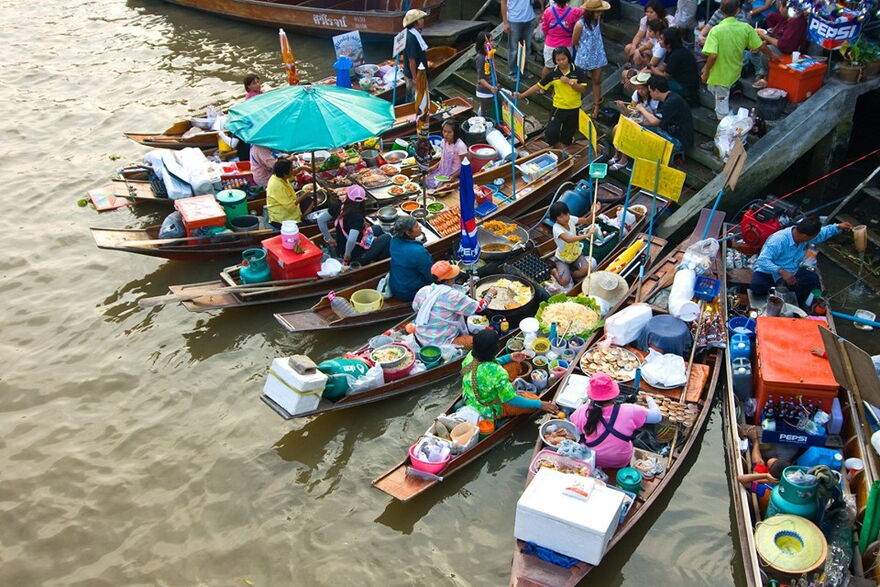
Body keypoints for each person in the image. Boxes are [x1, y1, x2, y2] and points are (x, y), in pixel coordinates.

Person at [461, 329, 559, 421]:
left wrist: (509, 357)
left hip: (471, 396)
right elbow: (511, 399)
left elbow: (485, 366)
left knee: (514, 364)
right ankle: (506, 395)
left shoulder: (470, 356)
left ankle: (506, 388)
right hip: (488, 408)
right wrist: (540, 404)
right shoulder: (497, 373)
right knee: (534, 401)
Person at [751, 216, 852, 306]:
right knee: (757, 286)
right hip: (770, 272)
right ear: (805, 236)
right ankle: (772, 298)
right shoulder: (778, 240)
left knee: (812, 279)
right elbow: (762, 261)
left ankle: (796, 304)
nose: (814, 239)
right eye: (813, 237)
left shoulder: (804, 237)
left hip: (792, 271)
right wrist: (781, 271)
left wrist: (838, 226)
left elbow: (822, 233)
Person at [570, 373, 661, 470]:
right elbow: (657, 416)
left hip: (592, 458)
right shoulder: (631, 411)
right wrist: (649, 398)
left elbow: (576, 433)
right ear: (615, 394)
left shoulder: (582, 411)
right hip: (620, 460)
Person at [702, 0, 774, 121]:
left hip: (719, 76)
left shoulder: (715, 31)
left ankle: (724, 128)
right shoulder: (745, 27)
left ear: (721, 11)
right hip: (734, 71)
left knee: (722, 109)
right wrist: (772, 55)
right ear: (737, 11)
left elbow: (713, 56)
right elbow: (760, 46)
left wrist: (706, 71)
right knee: (716, 93)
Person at [412, 261, 495, 347]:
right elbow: (480, 307)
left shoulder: (424, 290)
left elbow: (415, 308)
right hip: (438, 342)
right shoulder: (452, 295)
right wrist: (490, 293)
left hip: (421, 335)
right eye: (452, 277)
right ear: (448, 280)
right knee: (474, 343)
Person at [516, 47, 588, 147]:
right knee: (551, 132)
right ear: (555, 61)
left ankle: (565, 150)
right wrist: (522, 95)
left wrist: (569, 82)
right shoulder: (553, 74)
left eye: (564, 59)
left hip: (574, 108)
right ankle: (557, 147)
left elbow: (583, 89)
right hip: (559, 107)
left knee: (568, 133)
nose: (561, 62)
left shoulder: (578, 71)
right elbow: (538, 86)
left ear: (568, 58)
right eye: (558, 60)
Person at [750, 0, 808, 89]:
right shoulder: (786, 18)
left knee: (767, 50)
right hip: (779, 46)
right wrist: (762, 43)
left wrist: (764, 37)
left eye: (781, 6)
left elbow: (784, 45)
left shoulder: (796, 22)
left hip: (791, 53)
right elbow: (776, 35)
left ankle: (766, 77)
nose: (779, 9)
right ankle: (760, 74)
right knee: (755, 49)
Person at [633, 75, 694, 157]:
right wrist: (640, 122)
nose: (650, 94)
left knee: (643, 135)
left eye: (651, 91)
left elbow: (654, 121)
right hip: (669, 132)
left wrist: (641, 109)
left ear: (657, 91)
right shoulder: (664, 100)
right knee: (637, 128)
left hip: (679, 141)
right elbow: (656, 122)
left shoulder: (672, 101)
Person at [608, 71, 658, 169]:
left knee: (627, 132)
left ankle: (624, 159)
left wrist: (642, 110)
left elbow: (655, 119)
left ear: (648, 88)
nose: (640, 91)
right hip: (635, 120)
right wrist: (623, 107)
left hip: (647, 124)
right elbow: (630, 112)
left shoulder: (654, 99)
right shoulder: (636, 94)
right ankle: (617, 154)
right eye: (638, 88)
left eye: (642, 89)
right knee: (616, 129)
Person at [334, 185, 391, 266]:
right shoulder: (357, 217)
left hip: (342, 245)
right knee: (387, 238)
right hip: (355, 255)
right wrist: (347, 255)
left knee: (378, 228)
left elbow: (321, 220)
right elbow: (351, 240)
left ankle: (376, 252)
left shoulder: (339, 206)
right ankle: (378, 262)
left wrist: (328, 238)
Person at [572, 0, 610, 117]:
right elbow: (574, 41)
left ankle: (597, 106)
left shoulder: (597, 21)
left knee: (597, 81)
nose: (599, 14)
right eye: (597, 12)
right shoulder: (580, 24)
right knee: (579, 83)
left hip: (597, 55)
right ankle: (575, 105)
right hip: (584, 56)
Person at [549, 201, 596, 288]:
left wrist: (593, 212)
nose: (566, 218)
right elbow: (568, 240)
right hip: (563, 258)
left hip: (576, 254)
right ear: (556, 219)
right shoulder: (556, 228)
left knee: (586, 269)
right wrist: (587, 235)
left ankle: (571, 274)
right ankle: (555, 271)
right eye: (561, 217)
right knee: (564, 282)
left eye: (566, 214)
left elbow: (587, 220)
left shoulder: (571, 219)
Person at [649, 27, 700, 105]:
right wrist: (648, 71)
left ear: (669, 43)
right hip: (677, 80)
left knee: (657, 83)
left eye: (662, 39)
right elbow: (662, 67)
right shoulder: (670, 51)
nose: (659, 40)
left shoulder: (676, 55)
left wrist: (651, 67)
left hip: (685, 87)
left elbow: (665, 76)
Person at [388, 216, 433, 302]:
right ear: (408, 233)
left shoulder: (394, 240)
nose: (420, 227)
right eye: (416, 226)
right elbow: (430, 275)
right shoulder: (418, 252)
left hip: (395, 284)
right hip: (409, 292)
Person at [540, 0, 584, 78]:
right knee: (565, 68)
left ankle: (542, 87)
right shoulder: (574, 11)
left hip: (550, 43)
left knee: (548, 67)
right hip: (567, 44)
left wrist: (550, 36)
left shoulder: (548, 11)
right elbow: (587, 10)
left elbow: (544, 28)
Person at [266, 159, 312, 226]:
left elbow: (293, 173)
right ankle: (303, 220)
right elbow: (291, 207)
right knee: (308, 223)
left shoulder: (279, 176)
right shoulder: (278, 186)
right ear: (285, 173)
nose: (293, 170)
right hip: (282, 219)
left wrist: (302, 168)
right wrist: (305, 195)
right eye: (291, 169)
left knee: (310, 200)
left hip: (289, 205)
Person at [426, 120, 468, 189]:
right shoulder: (443, 142)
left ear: (455, 133)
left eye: (449, 132)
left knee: (439, 190)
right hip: (441, 171)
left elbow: (465, 165)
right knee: (423, 179)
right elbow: (443, 159)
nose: (446, 134)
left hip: (453, 175)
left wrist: (453, 176)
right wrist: (434, 167)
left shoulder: (460, 146)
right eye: (444, 131)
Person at [501, 0, 538, 78]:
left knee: (527, 48)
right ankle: (513, 72)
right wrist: (505, 22)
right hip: (514, 20)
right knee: (513, 49)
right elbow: (503, 3)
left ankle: (523, 70)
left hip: (530, 19)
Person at [402, 9, 429, 102]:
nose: (423, 21)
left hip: (419, 70)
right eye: (420, 19)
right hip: (413, 73)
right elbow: (412, 60)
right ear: (415, 22)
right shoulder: (411, 38)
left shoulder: (415, 33)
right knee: (413, 97)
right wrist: (415, 78)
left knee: (416, 96)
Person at [474, 33, 499, 123]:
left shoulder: (489, 55)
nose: (492, 43)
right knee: (485, 113)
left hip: (492, 87)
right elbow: (480, 79)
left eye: (492, 40)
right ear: (483, 44)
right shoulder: (480, 58)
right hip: (485, 91)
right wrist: (491, 87)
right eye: (490, 41)